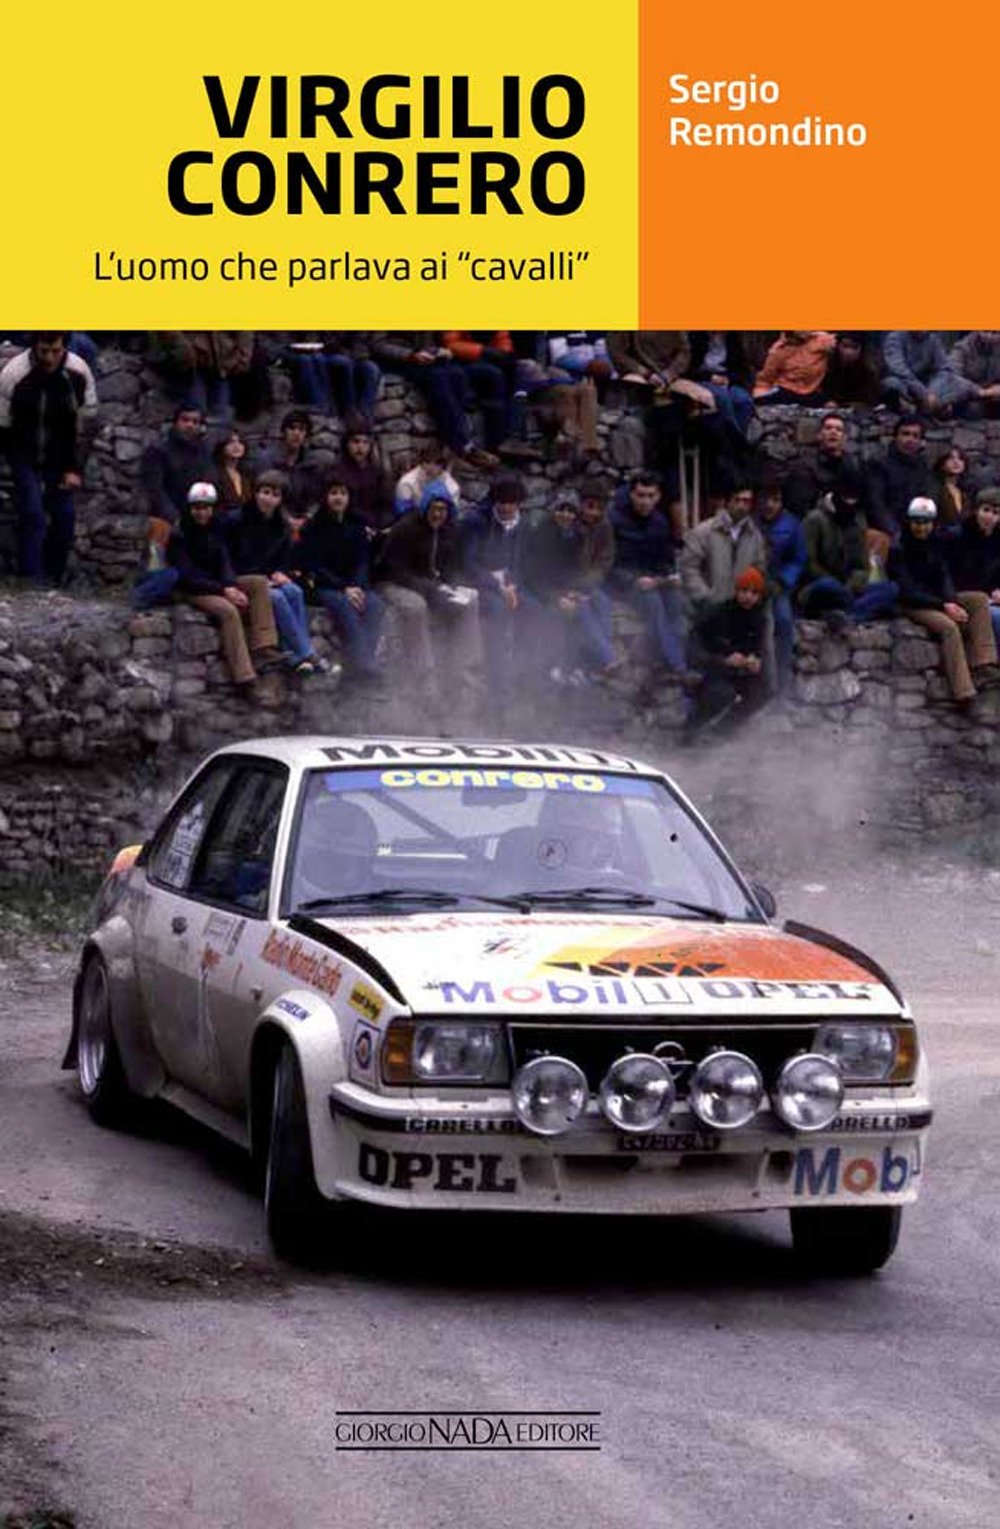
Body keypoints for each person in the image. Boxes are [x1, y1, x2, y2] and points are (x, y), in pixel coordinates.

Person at [379, 480, 483, 719]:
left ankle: (466, 679)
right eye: (434, 509)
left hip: (432, 585)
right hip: (394, 583)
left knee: (469, 603)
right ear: (425, 507)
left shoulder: (449, 532)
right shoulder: (406, 528)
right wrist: (432, 589)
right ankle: (426, 684)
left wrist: (455, 587)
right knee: (416, 607)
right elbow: (394, 570)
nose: (438, 514)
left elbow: (453, 567)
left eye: (443, 510)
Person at [0, 332, 97, 584]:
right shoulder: (14, 373)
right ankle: (30, 577)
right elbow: (3, 423)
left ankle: (54, 576)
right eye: (44, 351)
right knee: (32, 513)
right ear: (34, 347)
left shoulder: (77, 371)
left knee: (65, 516)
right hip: (23, 452)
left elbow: (87, 425)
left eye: (56, 351)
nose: (50, 358)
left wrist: (75, 468)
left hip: (61, 456)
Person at [166, 482, 282, 689]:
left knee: (257, 582)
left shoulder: (217, 528)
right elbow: (187, 576)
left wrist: (230, 584)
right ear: (190, 508)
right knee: (228, 610)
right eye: (197, 507)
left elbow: (225, 561)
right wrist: (224, 590)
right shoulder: (179, 534)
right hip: (192, 589)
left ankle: (263, 647)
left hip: (218, 583)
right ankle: (244, 675)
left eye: (206, 507)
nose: (201, 513)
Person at [889, 497, 999, 703]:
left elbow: (944, 576)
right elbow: (907, 591)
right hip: (913, 604)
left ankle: (984, 664)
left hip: (938, 599)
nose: (921, 527)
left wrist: (951, 601)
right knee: (949, 627)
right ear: (909, 521)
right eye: (917, 521)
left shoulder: (935, 543)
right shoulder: (898, 548)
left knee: (978, 599)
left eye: (926, 522)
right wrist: (944, 605)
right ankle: (963, 690)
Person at [227, 471, 323, 674]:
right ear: (256, 493)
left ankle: (295, 657)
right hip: (242, 578)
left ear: (281, 500)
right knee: (277, 597)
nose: (268, 499)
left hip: (267, 578)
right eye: (265, 492)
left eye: (275, 495)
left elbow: (282, 559)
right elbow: (233, 559)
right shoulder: (237, 520)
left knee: (294, 591)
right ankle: (307, 652)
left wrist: (280, 573)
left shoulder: (281, 525)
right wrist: (264, 579)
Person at [462, 475, 538, 709]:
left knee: (534, 609)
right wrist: (497, 586)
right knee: (497, 611)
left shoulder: (523, 524)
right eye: (502, 502)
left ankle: (529, 673)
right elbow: (468, 562)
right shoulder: (476, 521)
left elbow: (524, 561)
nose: (506, 507)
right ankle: (498, 680)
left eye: (511, 503)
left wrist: (513, 584)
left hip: (510, 583)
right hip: (481, 582)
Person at [369, 331, 498, 468]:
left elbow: (429, 341)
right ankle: (464, 447)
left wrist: (439, 351)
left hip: (422, 357)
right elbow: (377, 345)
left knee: (456, 373)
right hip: (395, 360)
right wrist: (410, 355)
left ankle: (460, 434)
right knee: (437, 377)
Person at [299, 476, 384, 679]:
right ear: (325, 497)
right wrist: (344, 588)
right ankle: (365, 665)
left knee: (374, 604)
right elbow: (314, 565)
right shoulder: (313, 527)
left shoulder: (357, 523)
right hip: (324, 585)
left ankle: (363, 662)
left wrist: (357, 586)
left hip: (353, 584)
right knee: (344, 606)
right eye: (334, 493)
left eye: (343, 493)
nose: (338, 498)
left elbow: (363, 559)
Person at [609, 471, 689, 677]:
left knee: (676, 601)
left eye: (650, 496)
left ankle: (681, 658)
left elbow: (666, 559)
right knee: (652, 603)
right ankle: (677, 665)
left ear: (658, 497)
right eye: (640, 495)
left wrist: (670, 576)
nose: (645, 501)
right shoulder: (615, 520)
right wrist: (633, 580)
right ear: (631, 495)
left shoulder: (660, 522)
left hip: (654, 580)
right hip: (625, 583)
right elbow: (609, 564)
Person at [798, 479, 898, 627]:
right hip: (819, 585)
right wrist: (836, 582)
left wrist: (853, 584)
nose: (850, 502)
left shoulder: (857, 521)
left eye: (854, 498)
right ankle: (856, 611)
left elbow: (862, 566)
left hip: (849, 587)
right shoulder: (815, 519)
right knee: (828, 586)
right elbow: (807, 563)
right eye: (846, 497)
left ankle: (849, 616)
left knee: (890, 589)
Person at [686, 567, 768, 735]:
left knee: (762, 691)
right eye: (744, 591)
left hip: (738, 671)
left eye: (754, 593)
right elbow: (696, 648)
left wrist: (755, 660)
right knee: (721, 693)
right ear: (737, 591)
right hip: (711, 668)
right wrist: (723, 660)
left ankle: (721, 733)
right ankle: (690, 730)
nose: (748, 596)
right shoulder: (718, 613)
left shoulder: (759, 618)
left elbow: (757, 647)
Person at [680, 480, 768, 624]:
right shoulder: (703, 532)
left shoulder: (755, 536)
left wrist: (750, 597)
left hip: (740, 609)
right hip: (706, 609)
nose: (741, 506)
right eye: (737, 500)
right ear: (727, 502)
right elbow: (689, 568)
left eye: (746, 501)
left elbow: (759, 569)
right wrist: (704, 597)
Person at [757, 480, 807, 688]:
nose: (770, 505)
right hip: (751, 584)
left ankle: (783, 677)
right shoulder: (751, 523)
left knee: (784, 620)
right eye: (766, 499)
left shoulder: (792, 525)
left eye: (776, 500)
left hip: (778, 584)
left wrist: (783, 580)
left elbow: (798, 559)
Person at [139, 404, 214, 525]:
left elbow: (208, 479)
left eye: (195, 422)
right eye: (185, 420)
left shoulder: (203, 450)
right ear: (175, 422)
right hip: (169, 516)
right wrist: (173, 516)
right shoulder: (158, 450)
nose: (190, 425)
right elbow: (155, 489)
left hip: (197, 512)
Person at [946, 487, 1000, 645]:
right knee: (996, 617)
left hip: (990, 597)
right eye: (986, 510)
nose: (990, 516)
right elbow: (951, 575)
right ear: (976, 510)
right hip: (963, 596)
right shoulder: (958, 536)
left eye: (996, 513)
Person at [865, 418, 936, 537]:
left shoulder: (922, 466)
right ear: (895, 437)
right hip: (887, 530)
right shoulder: (879, 464)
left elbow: (925, 497)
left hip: (915, 528)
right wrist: (894, 531)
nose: (910, 439)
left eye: (915, 436)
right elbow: (876, 502)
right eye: (905, 434)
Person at [783, 413, 861, 519]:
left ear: (844, 438)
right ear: (819, 435)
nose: (833, 432)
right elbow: (799, 507)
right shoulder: (804, 466)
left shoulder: (852, 465)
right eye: (828, 428)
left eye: (838, 429)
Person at [880, 331, 971, 416]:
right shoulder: (895, 338)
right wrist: (924, 393)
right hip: (906, 385)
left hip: (928, 384)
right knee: (891, 384)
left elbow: (944, 369)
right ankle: (921, 409)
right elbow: (900, 371)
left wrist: (933, 391)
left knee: (958, 384)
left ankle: (931, 408)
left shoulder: (932, 339)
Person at [254, 409, 322, 516]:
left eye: (301, 429)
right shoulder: (267, 459)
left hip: (304, 519)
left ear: (306, 435)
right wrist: (286, 518)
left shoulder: (312, 463)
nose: (296, 433)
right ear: (283, 432)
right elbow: (263, 496)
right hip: (272, 516)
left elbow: (315, 499)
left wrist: (307, 517)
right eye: (292, 428)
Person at [337, 414, 394, 535]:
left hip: (377, 527)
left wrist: (381, 525)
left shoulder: (377, 472)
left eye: (365, 442)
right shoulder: (337, 472)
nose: (360, 447)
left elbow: (386, 504)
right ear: (347, 444)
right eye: (356, 442)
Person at [752, 332, 835, 404]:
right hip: (785, 391)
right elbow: (766, 379)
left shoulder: (822, 340)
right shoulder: (779, 349)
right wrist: (759, 393)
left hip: (813, 392)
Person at [394, 442, 462, 517]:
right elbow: (404, 514)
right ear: (421, 462)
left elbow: (452, 514)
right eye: (427, 461)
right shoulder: (406, 483)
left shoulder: (452, 486)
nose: (431, 467)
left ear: (443, 465)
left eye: (437, 463)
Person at [949, 332, 1000, 418]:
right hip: (970, 398)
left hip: (994, 399)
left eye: (995, 332)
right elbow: (951, 377)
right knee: (974, 410)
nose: (991, 335)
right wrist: (981, 392)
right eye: (987, 331)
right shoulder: (962, 349)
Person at [823, 333, 881, 408]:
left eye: (855, 347)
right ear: (838, 346)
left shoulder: (868, 371)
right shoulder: (827, 365)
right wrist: (828, 401)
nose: (849, 352)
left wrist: (842, 405)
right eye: (845, 346)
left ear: (862, 349)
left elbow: (870, 400)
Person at [210, 428, 254, 522]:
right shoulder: (213, 473)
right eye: (231, 442)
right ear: (222, 446)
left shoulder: (247, 474)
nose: (236, 446)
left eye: (240, 442)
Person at [931, 445, 972, 532]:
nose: (956, 462)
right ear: (942, 463)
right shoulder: (934, 488)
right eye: (951, 458)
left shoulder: (964, 491)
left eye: (960, 458)